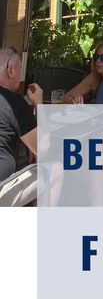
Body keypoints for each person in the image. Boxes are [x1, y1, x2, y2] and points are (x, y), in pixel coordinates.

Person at [0, 47, 43, 206]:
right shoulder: (12, 102)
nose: (20, 74)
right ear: (10, 71)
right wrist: (39, 105)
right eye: (20, 68)